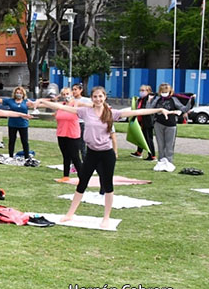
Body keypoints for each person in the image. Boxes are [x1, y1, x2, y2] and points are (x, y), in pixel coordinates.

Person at [37, 87, 176, 228]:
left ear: (104, 97)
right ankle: (70, 214)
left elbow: (137, 111)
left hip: (106, 154)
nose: (98, 99)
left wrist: (159, 110)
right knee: (82, 183)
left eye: (100, 96)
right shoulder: (85, 112)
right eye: (95, 96)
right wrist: (43, 101)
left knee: (107, 184)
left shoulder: (111, 113)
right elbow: (61, 107)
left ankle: (106, 217)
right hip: (91, 153)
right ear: (91, 98)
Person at [147, 83, 194, 172]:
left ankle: (169, 162)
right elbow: (149, 109)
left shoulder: (173, 99)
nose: (164, 93)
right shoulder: (157, 99)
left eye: (166, 91)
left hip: (171, 124)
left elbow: (183, 109)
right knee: (160, 144)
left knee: (169, 144)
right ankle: (161, 161)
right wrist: (149, 101)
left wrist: (190, 102)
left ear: (170, 91)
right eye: (163, 91)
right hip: (158, 123)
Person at [0, 86, 36, 159]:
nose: (18, 94)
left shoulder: (26, 101)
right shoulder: (11, 101)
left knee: (25, 141)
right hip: (12, 124)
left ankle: (26, 156)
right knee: (12, 140)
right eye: (17, 93)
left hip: (23, 124)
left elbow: (37, 103)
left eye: (20, 93)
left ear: (23, 94)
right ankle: (10, 156)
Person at [51, 87, 82, 182]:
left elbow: (87, 105)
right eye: (63, 94)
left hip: (72, 133)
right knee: (65, 156)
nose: (66, 96)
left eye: (67, 94)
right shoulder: (61, 106)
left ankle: (82, 177)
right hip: (61, 133)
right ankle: (66, 176)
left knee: (75, 156)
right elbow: (55, 113)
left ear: (71, 94)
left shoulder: (75, 104)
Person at [129, 85, 156, 161]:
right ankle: (139, 152)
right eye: (140, 90)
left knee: (148, 138)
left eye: (143, 90)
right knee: (140, 137)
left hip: (148, 121)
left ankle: (152, 155)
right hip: (141, 121)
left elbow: (148, 109)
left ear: (148, 91)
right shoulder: (140, 99)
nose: (141, 92)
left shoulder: (150, 99)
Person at [71, 83, 92, 160]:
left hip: (81, 123)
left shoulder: (85, 100)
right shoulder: (71, 100)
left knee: (82, 144)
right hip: (73, 123)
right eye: (73, 89)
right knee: (73, 144)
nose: (74, 91)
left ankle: (85, 161)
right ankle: (73, 162)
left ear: (81, 90)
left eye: (75, 89)